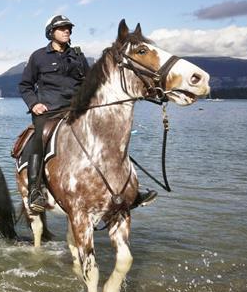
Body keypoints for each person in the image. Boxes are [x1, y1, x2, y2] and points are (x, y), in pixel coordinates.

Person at [18, 14, 157, 213]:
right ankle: (35, 191)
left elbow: (90, 82)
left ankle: (129, 190)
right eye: (62, 28)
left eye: (69, 28)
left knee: (111, 137)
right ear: (51, 32)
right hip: (49, 112)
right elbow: (25, 85)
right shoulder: (38, 56)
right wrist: (34, 104)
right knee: (40, 137)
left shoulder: (77, 56)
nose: (67, 31)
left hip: (78, 110)